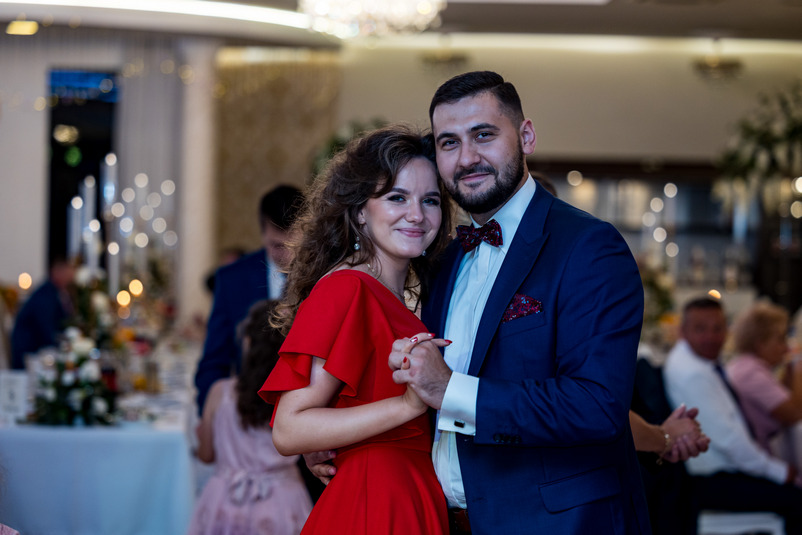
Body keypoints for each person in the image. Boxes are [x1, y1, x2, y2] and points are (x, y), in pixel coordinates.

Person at [379, 70, 650, 534]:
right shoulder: (443, 257)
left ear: (526, 136)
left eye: (483, 135)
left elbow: (596, 405)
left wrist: (450, 389)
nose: (467, 158)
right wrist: (341, 439)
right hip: (444, 519)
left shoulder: (588, 246)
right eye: (449, 143)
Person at [259, 125, 453, 534]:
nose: (417, 214)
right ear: (360, 209)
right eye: (397, 197)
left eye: (430, 200)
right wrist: (405, 407)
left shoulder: (401, 295)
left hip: (408, 492)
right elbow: (289, 429)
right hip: (375, 501)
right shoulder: (348, 288)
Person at [663, 296, 802, 533]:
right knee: (798, 500)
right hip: (714, 479)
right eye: (700, 329)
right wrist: (779, 472)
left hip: (721, 472)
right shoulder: (693, 373)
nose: (711, 337)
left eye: (718, 328)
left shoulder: (698, 362)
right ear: (683, 331)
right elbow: (729, 441)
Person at [188, 300, 312, 535]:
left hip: (226, 502)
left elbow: (206, 455)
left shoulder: (220, 393)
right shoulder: (297, 397)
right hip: (283, 503)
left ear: (247, 343)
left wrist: (201, 438)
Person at [194, 184, 303, 413]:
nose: (288, 254)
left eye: (294, 244)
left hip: (305, 413)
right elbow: (214, 361)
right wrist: (216, 416)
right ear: (263, 234)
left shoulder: (326, 276)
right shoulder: (232, 279)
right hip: (246, 412)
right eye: (277, 246)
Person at [727, 300, 802, 452]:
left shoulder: (744, 366)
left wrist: (790, 370)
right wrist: (798, 366)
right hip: (758, 456)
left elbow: (783, 399)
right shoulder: (751, 374)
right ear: (760, 343)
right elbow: (795, 414)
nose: (786, 347)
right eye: (780, 339)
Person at [10, 257, 75, 369]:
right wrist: (64, 346)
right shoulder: (45, 295)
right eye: (67, 275)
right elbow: (46, 328)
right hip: (27, 353)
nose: (69, 279)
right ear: (56, 272)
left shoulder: (53, 291)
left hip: (36, 349)